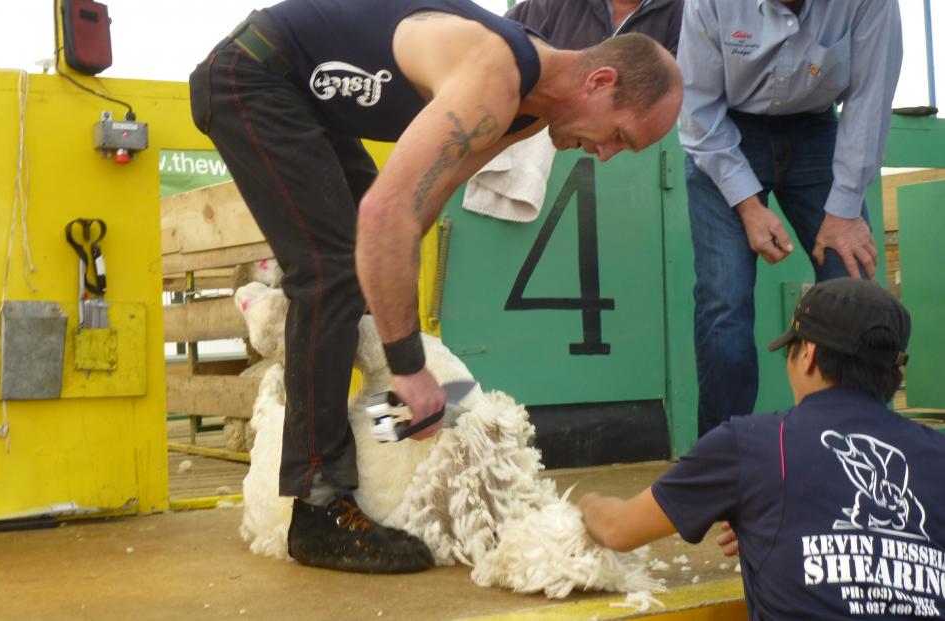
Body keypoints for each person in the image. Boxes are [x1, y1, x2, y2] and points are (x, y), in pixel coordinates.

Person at [189, 0, 682, 574]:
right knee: (328, 270)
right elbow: (384, 216)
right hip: (252, 72)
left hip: (303, 97)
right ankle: (318, 506)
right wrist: (406, 363)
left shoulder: (521, 114)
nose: (605, 154)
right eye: (618, 135)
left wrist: (390, 321)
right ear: (601, 81)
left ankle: (337, 430)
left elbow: (420, 209)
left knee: (346, 265)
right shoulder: (495, 78)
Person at [579, 278, 945, 619]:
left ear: (808, 355)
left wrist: (584, 504)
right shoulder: (936, 453)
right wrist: (775, 522)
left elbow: (617, 530)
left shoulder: (752, 442)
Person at [678, 0, 903, 436]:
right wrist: (746, 204)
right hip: (724, 134)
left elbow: (869, 100)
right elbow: (698, 111)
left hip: (817, 130)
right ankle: (722, 461)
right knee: (725, 300)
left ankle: (867, 445)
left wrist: (845, 209)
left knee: (853, 290)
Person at [506, 0, 683, 54]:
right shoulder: (552, 5)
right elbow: (496, 39)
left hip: (647, 138)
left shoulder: (685, 12)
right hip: (550, 135)